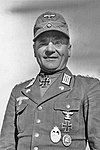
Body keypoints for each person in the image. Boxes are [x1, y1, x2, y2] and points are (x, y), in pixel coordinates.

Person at [0, 11, 100, 150]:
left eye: (58, 42)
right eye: (43, 43)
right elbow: (6, 146)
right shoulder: (19, 92)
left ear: (69, 49)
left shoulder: (88, 88)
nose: (50, 49)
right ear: (34, 50)